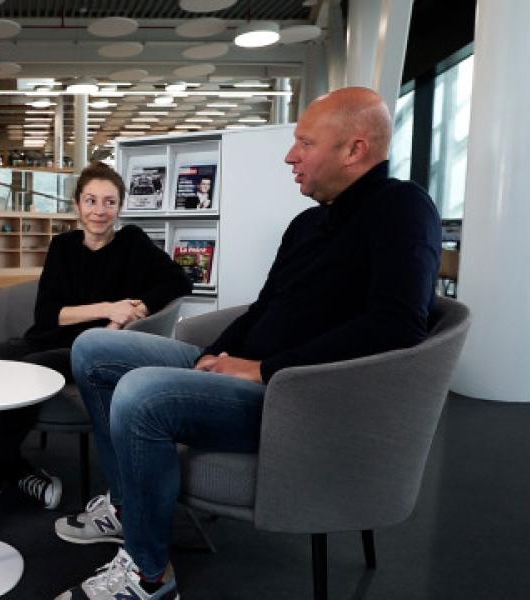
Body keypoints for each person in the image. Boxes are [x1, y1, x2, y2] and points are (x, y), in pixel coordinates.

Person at [54, 87, 442, 599]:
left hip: (294, 392)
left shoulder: (403, 208)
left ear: (355, 149)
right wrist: (218, 354)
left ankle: (149, 573)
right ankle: (128, 506)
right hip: (250, 368)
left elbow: (397, 324)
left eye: (304, 143)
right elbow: (266, 307)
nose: (290, 155)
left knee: (139, 394)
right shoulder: (309, 222)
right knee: (92, 351)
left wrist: (265, 368)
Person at [0, 162, 192, 513]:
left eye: (109, 202)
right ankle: (15, 469)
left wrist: (135, 310)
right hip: (44, 337)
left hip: (89, 350)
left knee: (29, 371)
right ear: (78, 204)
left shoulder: (133, 243)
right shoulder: (64, 246)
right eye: (91, 200)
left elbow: (179, 280)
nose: (100, 211)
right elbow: (49, 315)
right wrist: (108, 308)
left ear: (120, 206)